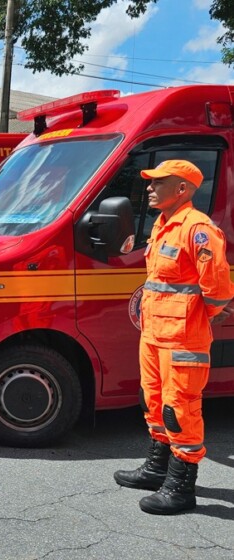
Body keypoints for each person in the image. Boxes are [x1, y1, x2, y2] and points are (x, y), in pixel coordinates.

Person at [113, 160, 234, 515]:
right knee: (153, 400)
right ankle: (156, 469)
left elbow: (218, 291)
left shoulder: (198, 229)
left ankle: (181, 488)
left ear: (182, 189)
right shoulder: (165, 225)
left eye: (158, 183)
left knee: (180, 407)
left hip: (183, 338)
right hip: (155, 333)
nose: (149, 188)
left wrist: (198, 317)